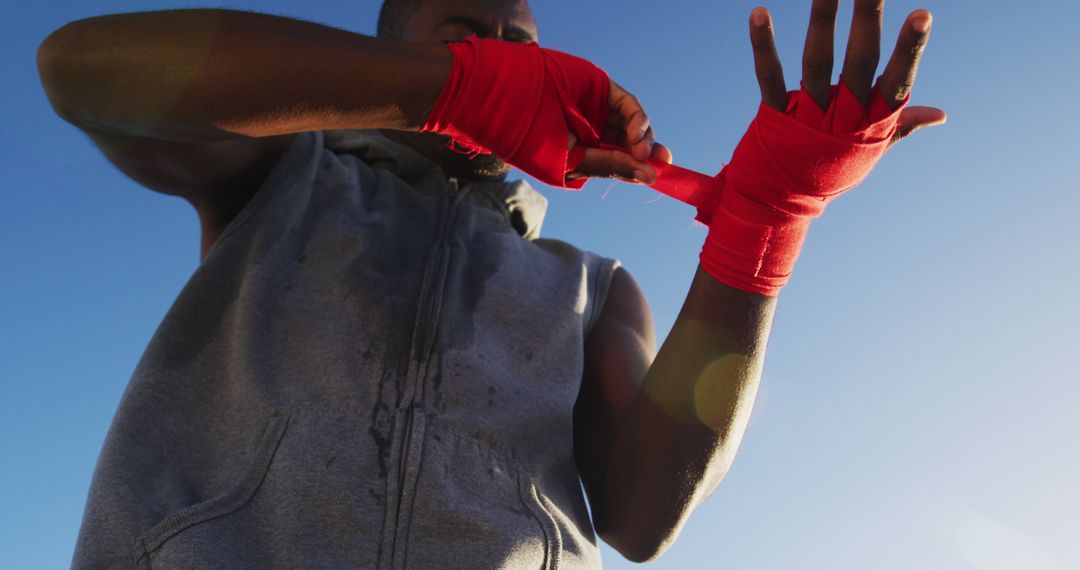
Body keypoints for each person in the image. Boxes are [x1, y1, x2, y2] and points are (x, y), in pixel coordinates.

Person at [37, 0, 944, 567]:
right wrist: (447, 91)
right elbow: (80, 71)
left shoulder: (590, 285)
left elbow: (640, 517)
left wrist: (765, 225)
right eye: (464, 39)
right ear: (392, 51)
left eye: (522, 45)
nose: (504, 56)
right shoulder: (282, 174)